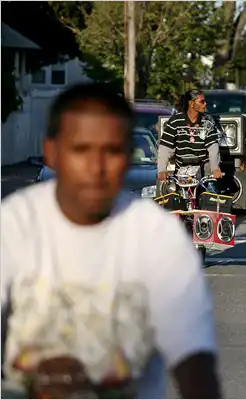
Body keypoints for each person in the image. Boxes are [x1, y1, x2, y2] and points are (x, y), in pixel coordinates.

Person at [0, 83, 221, 399]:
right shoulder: (13, 226)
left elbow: (193, 358)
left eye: (112, 151)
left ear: (128, 156)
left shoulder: (157, 233)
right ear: (51, 153)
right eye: (81, 150)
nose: (96, 168)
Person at [156, 89, 222, 189]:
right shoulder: (175, 121)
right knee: (174, 196)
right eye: (202, 101)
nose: (205, 104)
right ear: (191, 103)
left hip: (204, 169)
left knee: (209, 195)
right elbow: (165, 147)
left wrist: (215, 168)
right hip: (181, 169)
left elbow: (213, 147)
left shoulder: (207, 121)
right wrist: (162, 170)